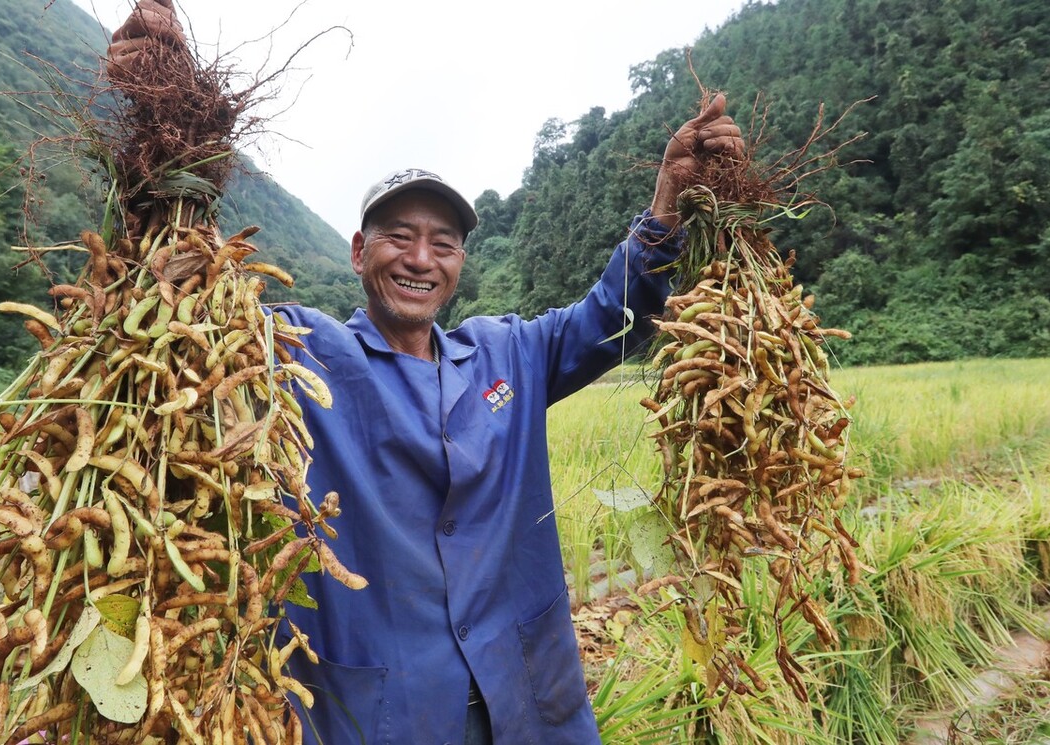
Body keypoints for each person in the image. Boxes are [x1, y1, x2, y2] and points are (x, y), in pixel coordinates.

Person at [106, 4, 743, 743]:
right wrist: (161, 132)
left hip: (525, 700)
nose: (420, 258)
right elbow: (183, 303)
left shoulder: (510, 354)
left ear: (460, 263)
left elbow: (614, 313)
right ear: (357, 251)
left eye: (442, 242)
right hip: (383, 714)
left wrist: (668, 201)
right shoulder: (299, 353)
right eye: (398, 237)